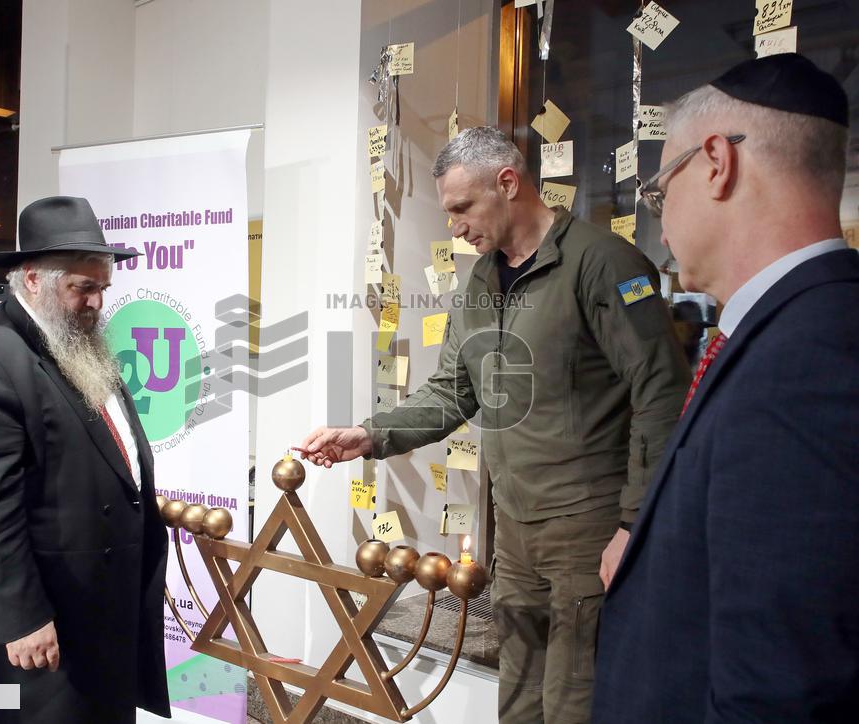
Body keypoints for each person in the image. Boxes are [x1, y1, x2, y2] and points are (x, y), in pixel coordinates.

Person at [300, 127, 690, 723]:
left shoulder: (603, 262)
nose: (453, 227)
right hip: (513, 522)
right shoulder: (479, 282)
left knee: (575, 697)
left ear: (508, 183)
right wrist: (372, 434)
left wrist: (635, 523)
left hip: (589, 523)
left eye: (461, 208)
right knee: (520, 694)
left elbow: (660, 393)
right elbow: (452, 392)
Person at [593, 54, 859, 722]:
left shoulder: (810, 359)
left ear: (716, 162)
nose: (661, 221)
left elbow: (783, 684)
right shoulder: (792, 329)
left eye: (658, 192)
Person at [0, 197, 170, 723]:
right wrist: (20, 617)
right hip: (29, 616)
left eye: (102, 288)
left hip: (87, 601)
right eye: (82, 288)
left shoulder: (73, 343)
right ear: (31, 280)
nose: (95, 302)